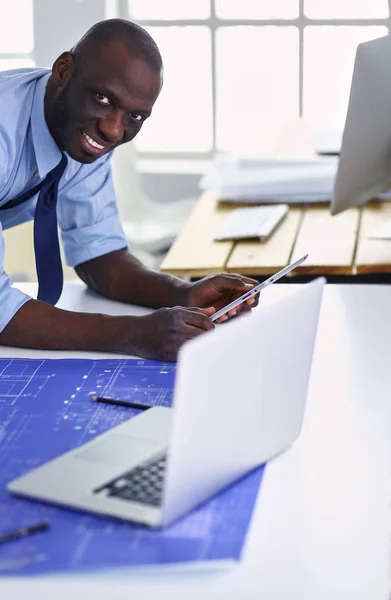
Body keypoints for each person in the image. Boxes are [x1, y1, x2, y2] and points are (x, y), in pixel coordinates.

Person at [0, 18, 258, 362]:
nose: (112, 130)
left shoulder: (83, 131)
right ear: (63, 70)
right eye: (103, 98)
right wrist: (133, 334)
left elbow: (99, 255)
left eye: (135, 116)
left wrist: (182, 293)